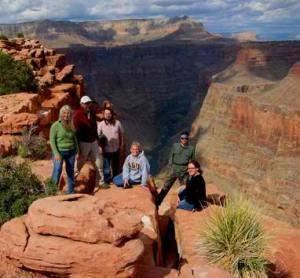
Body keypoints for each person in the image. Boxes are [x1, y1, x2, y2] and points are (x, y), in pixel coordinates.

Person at [73, 95, 107, 188]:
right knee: (80, 161)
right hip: (83, 142)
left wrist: (98, 142)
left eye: (89, 103)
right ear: (81, 104)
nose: (88, 105)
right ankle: (74, 179)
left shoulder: (92, 112)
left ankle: (101, 182)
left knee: (98, 160)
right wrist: (78, 146)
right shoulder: (77, 114)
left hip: (93, 141)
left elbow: (95, 128)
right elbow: (76, 131)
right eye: (86, 103)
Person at [156, 131, 195, 206]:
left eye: (185, 138)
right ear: (180, 139)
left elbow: (192, 160)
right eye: (182, 138)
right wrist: (170, 166)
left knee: (184, 188)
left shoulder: (191, 149)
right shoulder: (175, 146)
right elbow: (171, 156)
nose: (184, 140)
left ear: (188, 139)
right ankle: (158, 202)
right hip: (174, 169)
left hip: (184, 170)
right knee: (166, 185)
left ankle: (183, 204)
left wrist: (189, 170)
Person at [50, 105, 79, 194]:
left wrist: (77, 151)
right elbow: (52, 140)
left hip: (71, 151)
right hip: (59, 152)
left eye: (68, 113)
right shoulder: (55, 125)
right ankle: (52, 190)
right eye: (64, 113)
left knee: (70, 171)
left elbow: (75, 139)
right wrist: (56, 153)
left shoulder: (71, 125)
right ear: (61, 114)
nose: (66, 115)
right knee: (57, 169)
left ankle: (70, 191)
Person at [97, 107, 124, 182]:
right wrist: (100, 147)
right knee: (106, 168)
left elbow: (121, 134)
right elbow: (98, 136)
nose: (108, 115)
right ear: (104, 115)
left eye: (109, 113)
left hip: (116, 148)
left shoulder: (118, 123)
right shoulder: (101, 124)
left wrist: (122, 145)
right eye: (106, 114)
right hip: (106, 149)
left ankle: (116, 180)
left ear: (112, 114)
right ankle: (107, 181)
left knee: (115, 166)